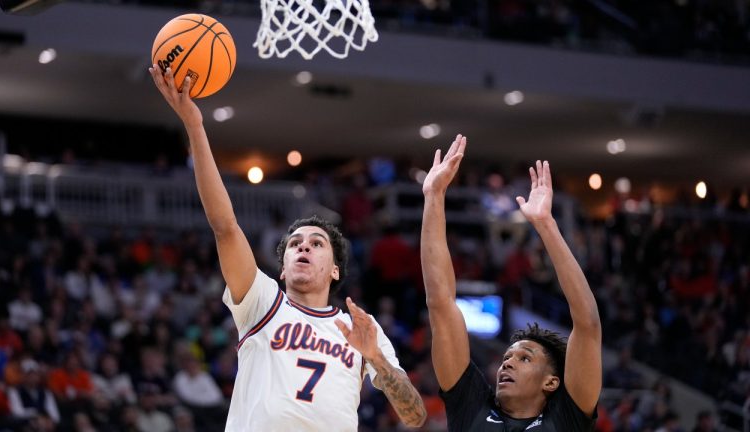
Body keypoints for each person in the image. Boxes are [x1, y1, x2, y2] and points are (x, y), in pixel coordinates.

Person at [148, 65, 426, 431]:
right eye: (294, 244)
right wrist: (195, 127)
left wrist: (374, 356)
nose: (303, 248)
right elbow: (225, 227)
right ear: (281, 269)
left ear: (335, 269)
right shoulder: (263, 301)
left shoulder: (359, 328)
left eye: (316, 243)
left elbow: (415, 415)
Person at [421, 134, 601, 431]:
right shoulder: (472, 406)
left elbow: (588, 323)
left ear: (551, 382)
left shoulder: (566, 419)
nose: (507, 363)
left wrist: (546, 225)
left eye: (524, 358)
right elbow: (440, 302)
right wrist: (434, 197)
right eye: (508, 357)